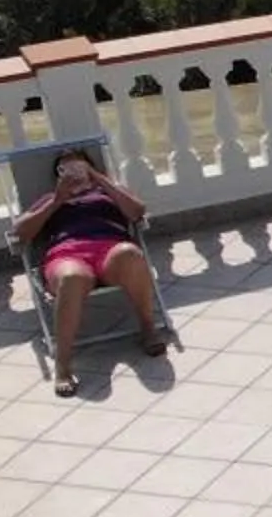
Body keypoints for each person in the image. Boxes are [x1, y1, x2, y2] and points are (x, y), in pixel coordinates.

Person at [13, 150, 168, 395]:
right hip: (67, 254)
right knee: (72, 277)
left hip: (110, 251)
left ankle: (148, 328)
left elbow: (137, 212)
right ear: (58, 176)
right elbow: (20, 233)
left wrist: (100, 180)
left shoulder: (109, 192)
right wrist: (57, 199)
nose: (74, 172)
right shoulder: (50, 198)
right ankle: (63, 364)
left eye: (79, 165)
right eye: (64, 169)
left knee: (131, 253)